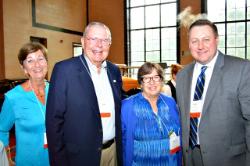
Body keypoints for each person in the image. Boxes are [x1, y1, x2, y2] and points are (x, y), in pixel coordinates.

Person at [46, 22, 123, 166]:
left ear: (110, 44)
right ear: (83, 42)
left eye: (105, 40)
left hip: (112, 153)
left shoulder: (114, 71)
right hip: (79, 156)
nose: (99, 45)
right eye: (93, 39)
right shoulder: (64, 70)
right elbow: (54, 121)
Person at [176, 18, 250, 166]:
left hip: (228, 158)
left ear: (217, 40)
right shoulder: (182, 76)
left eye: (206, 39)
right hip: (191, 156)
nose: (200, 46)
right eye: (194, 40)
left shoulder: (242, 69)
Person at [121, 62, 182, 166]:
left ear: (162, 80)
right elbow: (123, 142)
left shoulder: (170, 102)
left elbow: (178, 133)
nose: (152, 82)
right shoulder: (128, 106)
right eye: (146, 78)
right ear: (141, 83)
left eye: (156, 77)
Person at [0, 42, 50, 166]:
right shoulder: (13, 97)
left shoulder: (57, 90)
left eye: (40, 59)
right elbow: (1, 130)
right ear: (23, 67)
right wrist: (7, 158)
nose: (37, 64)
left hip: (57, 159)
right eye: (30, 61)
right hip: (29, 161)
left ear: (47, 63)